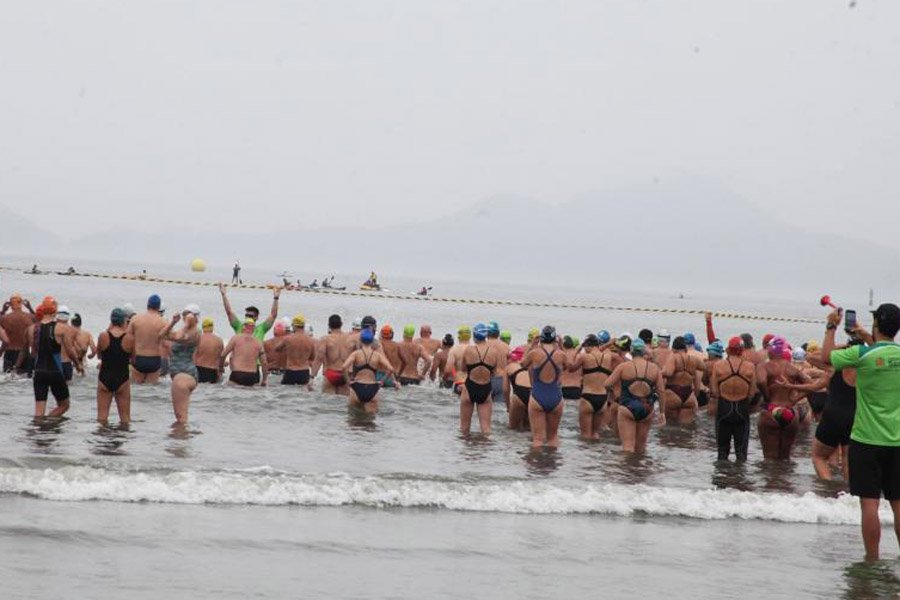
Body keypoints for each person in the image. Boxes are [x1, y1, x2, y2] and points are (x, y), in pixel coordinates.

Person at [823, 304, 900, 560]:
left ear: (876, 324)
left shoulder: (861, 354)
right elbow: (886, 352)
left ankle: (872, 558)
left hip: (866, 439)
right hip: (897, 440)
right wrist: (871, 337)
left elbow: (826, 357)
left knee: (870, 504)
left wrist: (831, 326)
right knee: (898, 504)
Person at [605, 337, 666, 452]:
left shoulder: (623, 367)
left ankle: (627, 469)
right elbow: (661, 391)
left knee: (628, 447)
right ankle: (640, 468)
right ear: (644, 352)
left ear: (631, 351)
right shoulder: (654, 369)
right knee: (641, 448)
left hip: (628, 406)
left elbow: (607, 384)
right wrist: (662, 412)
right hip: (647, 408)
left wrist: (617, 392)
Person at [756, 336, 811, 459]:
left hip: (771, 409)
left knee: (770, 458)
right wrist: (795, 400)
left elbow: (760, 382)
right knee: (785, 458)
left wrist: (766, 396)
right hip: (790, 411)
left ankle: (773, 478)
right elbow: (811, 384)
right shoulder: (791, 368)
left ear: (771, 350)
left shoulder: (764, 366)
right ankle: (784, 477)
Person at [30, 298, 80, 419]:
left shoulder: (32, 329)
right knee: (64, 405)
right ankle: (49, 424)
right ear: (54, 311)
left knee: (38, 411)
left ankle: (39, 430)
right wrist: (77, 364)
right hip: (55, 372)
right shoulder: (62, 328)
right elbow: (70, 350)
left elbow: (32, 353)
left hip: (39, 372)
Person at [710, 337, 757, 461]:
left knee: (722, 453)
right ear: (742, 350)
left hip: (724, 408)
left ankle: (722, 477)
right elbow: (752, 393)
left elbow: (714, 391)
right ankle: (739, 478)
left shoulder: (718, 365)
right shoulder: (750, 367)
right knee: (741, 454)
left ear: (728, 350)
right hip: (741, 409)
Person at [521, 326, 568, 448]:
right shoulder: (561, 354)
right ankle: (552, 465)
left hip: (538, 396)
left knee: (537, 440)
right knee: (553, 438)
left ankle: (536, 464)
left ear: (541, 338)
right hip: (556, 397)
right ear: (555, 339)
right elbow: (569, 367)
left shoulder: (534, 353)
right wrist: (562, 347)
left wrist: (532, 345)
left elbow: (522, 364)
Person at [568, 334, 620, 440]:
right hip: (602, 399)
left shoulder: (584, 357)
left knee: (585, 435)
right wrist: (609, 344)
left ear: (588, 346)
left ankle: (586, 456)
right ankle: (595, 455)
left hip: (588, 397)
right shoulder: (608, 357)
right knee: (595, 434)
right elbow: (600, 351)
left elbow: (570, 367)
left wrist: (576, 350)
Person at [459, 323, 501, 435]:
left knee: (464, 428)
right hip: (485, 389)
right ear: (486, 335)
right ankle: (483, 451)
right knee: (486, 429)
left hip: (470, 387)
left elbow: (463, 369)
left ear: (474, 335)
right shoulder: (494, 352)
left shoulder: (468, 350)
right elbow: (495, 372)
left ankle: (466, 451)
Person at [342, 327, 395, 414]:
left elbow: (344, 367)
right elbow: (390, 369)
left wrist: (348, 382)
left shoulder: (356, 354)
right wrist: (382, 382)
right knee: (371, 422)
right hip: (372, 388)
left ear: (360, 340)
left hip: (357, 387)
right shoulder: (377, 355)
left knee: (352, 420)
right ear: (372, 341)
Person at [96, 308, 134, 424]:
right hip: (122, 378)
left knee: (102, 418)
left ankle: (102, 440)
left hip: (105, 378)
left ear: (111, 321)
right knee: (125, 419)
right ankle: (121, 439)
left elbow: (99, 356)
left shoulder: (103, 336)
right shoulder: (130, 338)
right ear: (124, 321)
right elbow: (133, 359)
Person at [662, 336, 703, 424]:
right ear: (685, 348)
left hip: (673, 392)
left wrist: (659, 372)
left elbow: (668, 373)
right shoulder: (694, 359)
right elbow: (704, 367)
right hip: (689, 396)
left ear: (673, 348)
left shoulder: (674, 357)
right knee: (685, 429)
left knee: (670, 427)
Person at [127, 294, 168, 384]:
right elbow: (167, 343)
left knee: (136, 390)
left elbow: (127, 339)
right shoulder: (163, 322)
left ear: (147, 305)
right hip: (154, 360)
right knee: (151, 391)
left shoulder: (135, 319)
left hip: (138, 358)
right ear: (158, 307)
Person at [222, 318, 269, 387]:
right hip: (252, 375)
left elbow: (223, 354)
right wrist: (264, 380)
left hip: (237, 373)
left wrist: (220, 368)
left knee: (231, 393)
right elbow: (264, 363)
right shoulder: (258, 343)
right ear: (254, 329)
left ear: (243, 327)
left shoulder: (235, 339)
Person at [277, 314, 317, 388]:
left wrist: (288, 349)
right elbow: (313, 357)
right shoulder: (311, 340)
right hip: (304, 372)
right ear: (304, 326)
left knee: (285, 394)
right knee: (303, 394)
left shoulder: (288, 339)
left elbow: (277, 348)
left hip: (290, 371)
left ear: (294, 326)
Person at [1, 294, 35, 373]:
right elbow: (40, 322)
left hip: (9, 352)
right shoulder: (30, 317)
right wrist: (30, 308)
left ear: (10, 305)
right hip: (24, 353)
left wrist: (3, 311)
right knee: (25, 379)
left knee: (8, 378)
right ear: (21, 304)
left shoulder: (4, 318)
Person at [319, 314, 351, 396]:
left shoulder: (325, 339)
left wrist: (312, 377)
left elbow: (319, 357)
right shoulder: (350, 338)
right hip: (345, 374)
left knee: (328, 403)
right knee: (343, 404)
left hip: (331, 373)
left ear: (329, 325)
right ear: (342, 324)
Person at [505, 346, 531, 430]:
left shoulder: (509, 367)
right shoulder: (532, 366)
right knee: (529, 429)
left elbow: (505, 390)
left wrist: (509, 407)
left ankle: (516, 443)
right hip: (534, 395)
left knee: (513, 429)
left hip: (519, 395)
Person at [194, 318, 224, 383]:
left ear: (203, 327)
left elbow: (193, 357)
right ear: (212, 327)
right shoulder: (219, 340)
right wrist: (221, 369)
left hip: (199, 369)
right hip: (213, 372)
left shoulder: (198, 339)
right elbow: (221, 357)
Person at [444, 326, 472, 395]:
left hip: (459, 383)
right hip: (471, 385)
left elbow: (448, 370)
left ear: (459, 336)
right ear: (470, 336)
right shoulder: (474, 349)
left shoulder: (454, 350)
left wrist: (444, 379)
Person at [486, 321, 509, 402]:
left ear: (487, 333)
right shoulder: (506, 347)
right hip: (502, 380)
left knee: (485, 408)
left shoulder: (483, 346)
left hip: (486, 380)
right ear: (498, 333)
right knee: (500, 409)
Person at [701, 341, 724, 414]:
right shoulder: (726, 364)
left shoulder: (707, 364)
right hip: (726, 397)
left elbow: (704, 380)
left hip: (713, 397)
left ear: (713, 354)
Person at [560, 335, 583, 401]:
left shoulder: (560, 356)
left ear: (562, 345)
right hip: (576, 388)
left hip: (562, 388)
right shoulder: (580, 357)